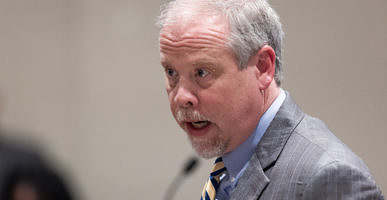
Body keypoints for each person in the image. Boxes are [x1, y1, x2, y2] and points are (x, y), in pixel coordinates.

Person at [157, 0, 383, 199]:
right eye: (171, 73)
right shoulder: (229, 166)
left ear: (263, 68)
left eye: (202, 72)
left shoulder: (330, 178)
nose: (181, 97)